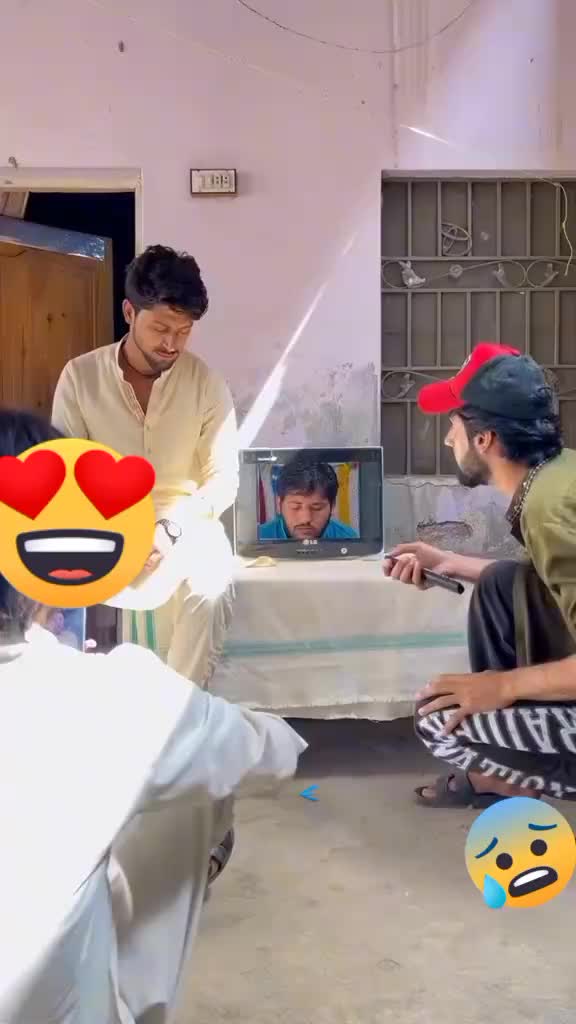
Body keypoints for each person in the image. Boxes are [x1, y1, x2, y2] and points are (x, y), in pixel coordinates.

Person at [0, 407, 306, 1024]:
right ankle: (137, 1001)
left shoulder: (203, 393)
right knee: (188, 776)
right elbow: (275, 752)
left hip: (169, 539)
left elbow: (216, 487)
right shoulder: (114, 697)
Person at [383, 342, 576, 807]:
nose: (449, 439)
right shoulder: (559, 475)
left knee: (437, 720)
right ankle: (505, 779)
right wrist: (446, 562)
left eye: (453, 425)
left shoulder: (549, 510)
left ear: (484, 439)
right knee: (502, 583)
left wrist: (501, 686)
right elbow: (545, 584)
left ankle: (513, 776)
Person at [259, 456, 359, 541]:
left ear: (332, 506)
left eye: (317, 508)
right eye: (295, 507)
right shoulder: (259, 537)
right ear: (279, 504)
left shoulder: (348, 538)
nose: (305, 519)